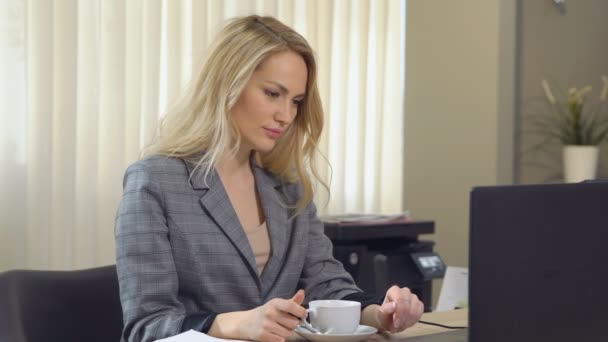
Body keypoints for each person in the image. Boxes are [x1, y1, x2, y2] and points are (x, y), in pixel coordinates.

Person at [115, 15, 423, 342]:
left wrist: (380, 314)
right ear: (227, 83)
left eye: (296, 102)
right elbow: (145, 328)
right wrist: (234, 324)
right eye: (273, 94)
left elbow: (328, 284)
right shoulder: (154, 182)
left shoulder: (288, 189)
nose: (286, 116)